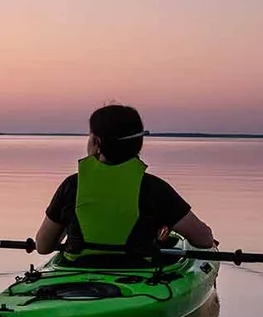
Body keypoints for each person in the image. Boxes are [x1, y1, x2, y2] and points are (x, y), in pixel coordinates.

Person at [35, 104, 215, 259]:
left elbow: (43, 247)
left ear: (97, 142)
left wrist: (69, 225)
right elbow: (204, 240)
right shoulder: (154, 188)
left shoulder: (71, 186)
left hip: (77, 270)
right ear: (139, 143)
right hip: (140, 275)